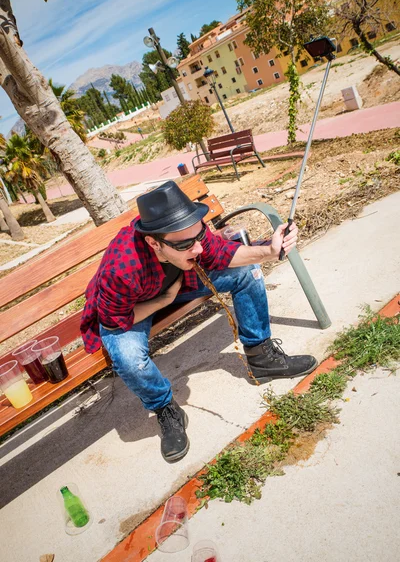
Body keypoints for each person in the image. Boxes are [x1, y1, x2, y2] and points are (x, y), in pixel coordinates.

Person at [81, 181, 317, 463]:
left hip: (178, 285)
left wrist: (269, 251)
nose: (198, 249)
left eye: (199, 237)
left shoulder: (188, 232)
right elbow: (114, 320)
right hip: (134, 307)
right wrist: (163, 301)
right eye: (185, 245)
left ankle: (261, 357)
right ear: (154, 243)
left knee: (247, 271)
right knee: (129, 360)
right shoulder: (121, 267)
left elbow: (223, 253)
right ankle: (165, 408)